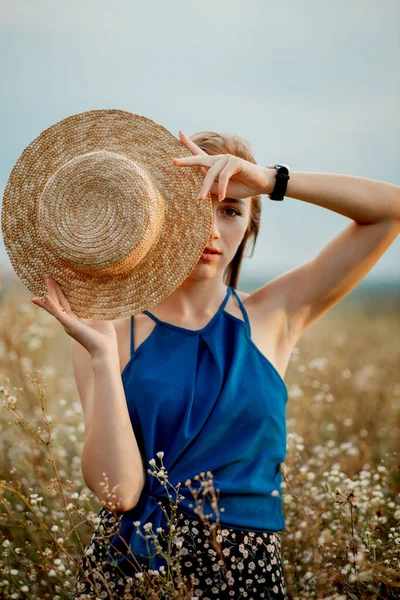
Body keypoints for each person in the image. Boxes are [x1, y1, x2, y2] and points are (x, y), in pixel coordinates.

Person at [30, 128, 400, 600]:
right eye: (193, 206)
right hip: (130, 570)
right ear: (160, 217)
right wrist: (103, 357)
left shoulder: (273, 315)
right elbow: (118, 494)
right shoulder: (107, 330)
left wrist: (269, 180)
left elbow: (391, 211)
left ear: (250, 223)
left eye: (230, 210)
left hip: (247, 574)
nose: (211, 230)